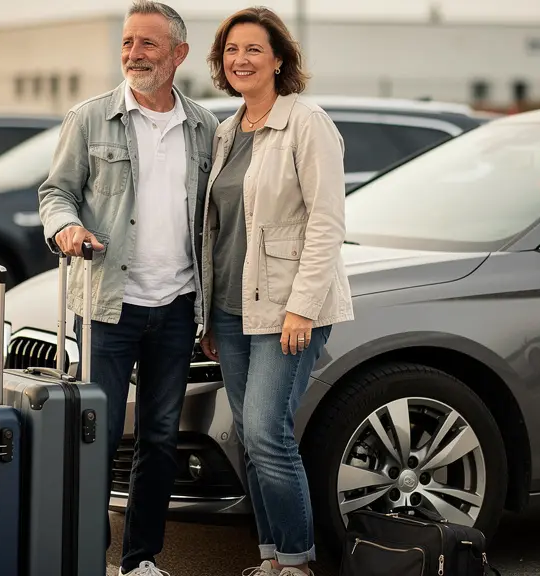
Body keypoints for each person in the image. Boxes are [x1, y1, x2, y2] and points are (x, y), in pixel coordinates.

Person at [37, 1, 219, 575]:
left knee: (161, 439)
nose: (134, 54)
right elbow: (55, 192)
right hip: (107, 307)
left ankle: (140, 562)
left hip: (177, 305)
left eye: (148, 44)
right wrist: (65, 227)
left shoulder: (204, 127)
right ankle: (87, 559)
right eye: (127, 43)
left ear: (178, 54)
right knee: (98, 437)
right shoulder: (89, 118)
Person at [197, 7, 354, 576]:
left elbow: (326, 224)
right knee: (249, 437)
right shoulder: (224, 132)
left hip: (289, 311)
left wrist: (302, 309)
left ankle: (297, 561)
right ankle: (271, 559)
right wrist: (210, 317)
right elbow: (218, 231)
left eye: (253, 50)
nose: (240, 60)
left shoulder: (307, 123)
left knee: (267, 433)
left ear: (279, 59)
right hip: (233, 312)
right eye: (231, 50)